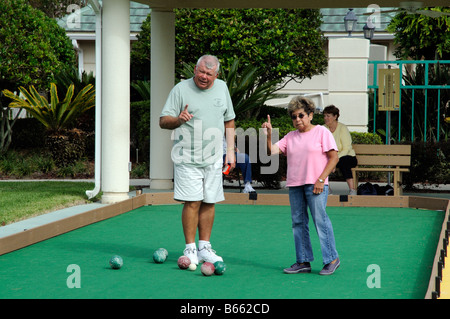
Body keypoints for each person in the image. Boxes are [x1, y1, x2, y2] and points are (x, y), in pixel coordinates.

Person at [159, 55, 236, 265]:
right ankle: (190, 248)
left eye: (209, 74)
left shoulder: (222, 88)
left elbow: (229, 120)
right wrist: (178, 120)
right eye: (201, 71)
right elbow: (163, 121)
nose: (204, 76)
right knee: (192, 201)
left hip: (213, 157)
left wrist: (230, 151)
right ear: (195, 69)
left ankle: (204, 247)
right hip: (187, 156)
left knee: (209, 201)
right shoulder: (180, 90)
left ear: (216, 75)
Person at [261, 96, 340, 275]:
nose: (297, 119)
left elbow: (334, 157)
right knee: (298, 222)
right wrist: (268, 136)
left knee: (320, 221)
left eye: (301, 115)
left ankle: (332, 259)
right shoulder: (290, 136)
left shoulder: (322, 132)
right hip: (295, 185)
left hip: (316, 185)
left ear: (310, 115)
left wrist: (321, 180)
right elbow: (272, 151)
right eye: (294, 117)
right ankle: (303, 261)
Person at [323, 105, 358, 195]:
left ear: (335, 117)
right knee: (321, 161)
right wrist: (332, 160)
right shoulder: (322, 129)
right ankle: (326, 189)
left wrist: (334, 160)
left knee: (344, 161)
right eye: (325, 116)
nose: (325, 118)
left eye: (328, 116)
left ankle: (352, 190)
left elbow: (347, 148)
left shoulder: (342, 128)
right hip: (330, 157)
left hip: (347, 157)